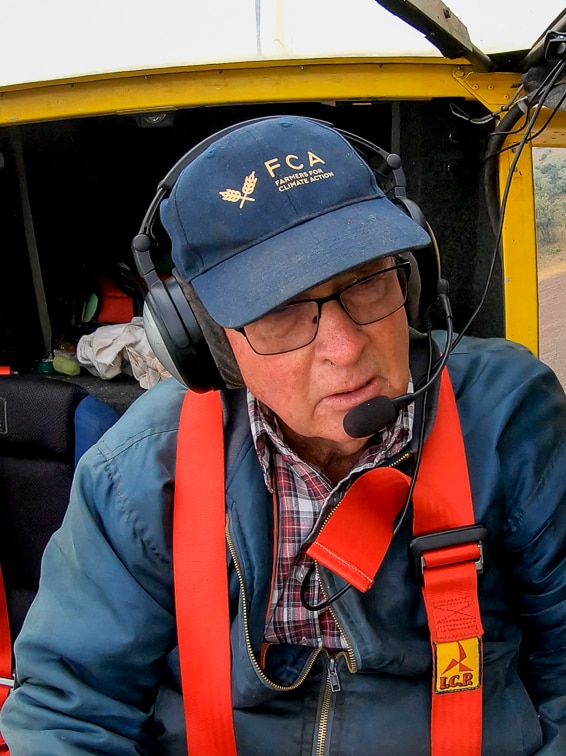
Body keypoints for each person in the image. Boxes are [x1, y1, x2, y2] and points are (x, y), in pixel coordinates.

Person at [1, 115, 565, 755]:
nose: (345, 347)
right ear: (210, 344)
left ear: (412, 278)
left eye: (367, 281)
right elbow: (68, 712)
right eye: (279, 312)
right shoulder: (138, 470)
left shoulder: (508, 417)